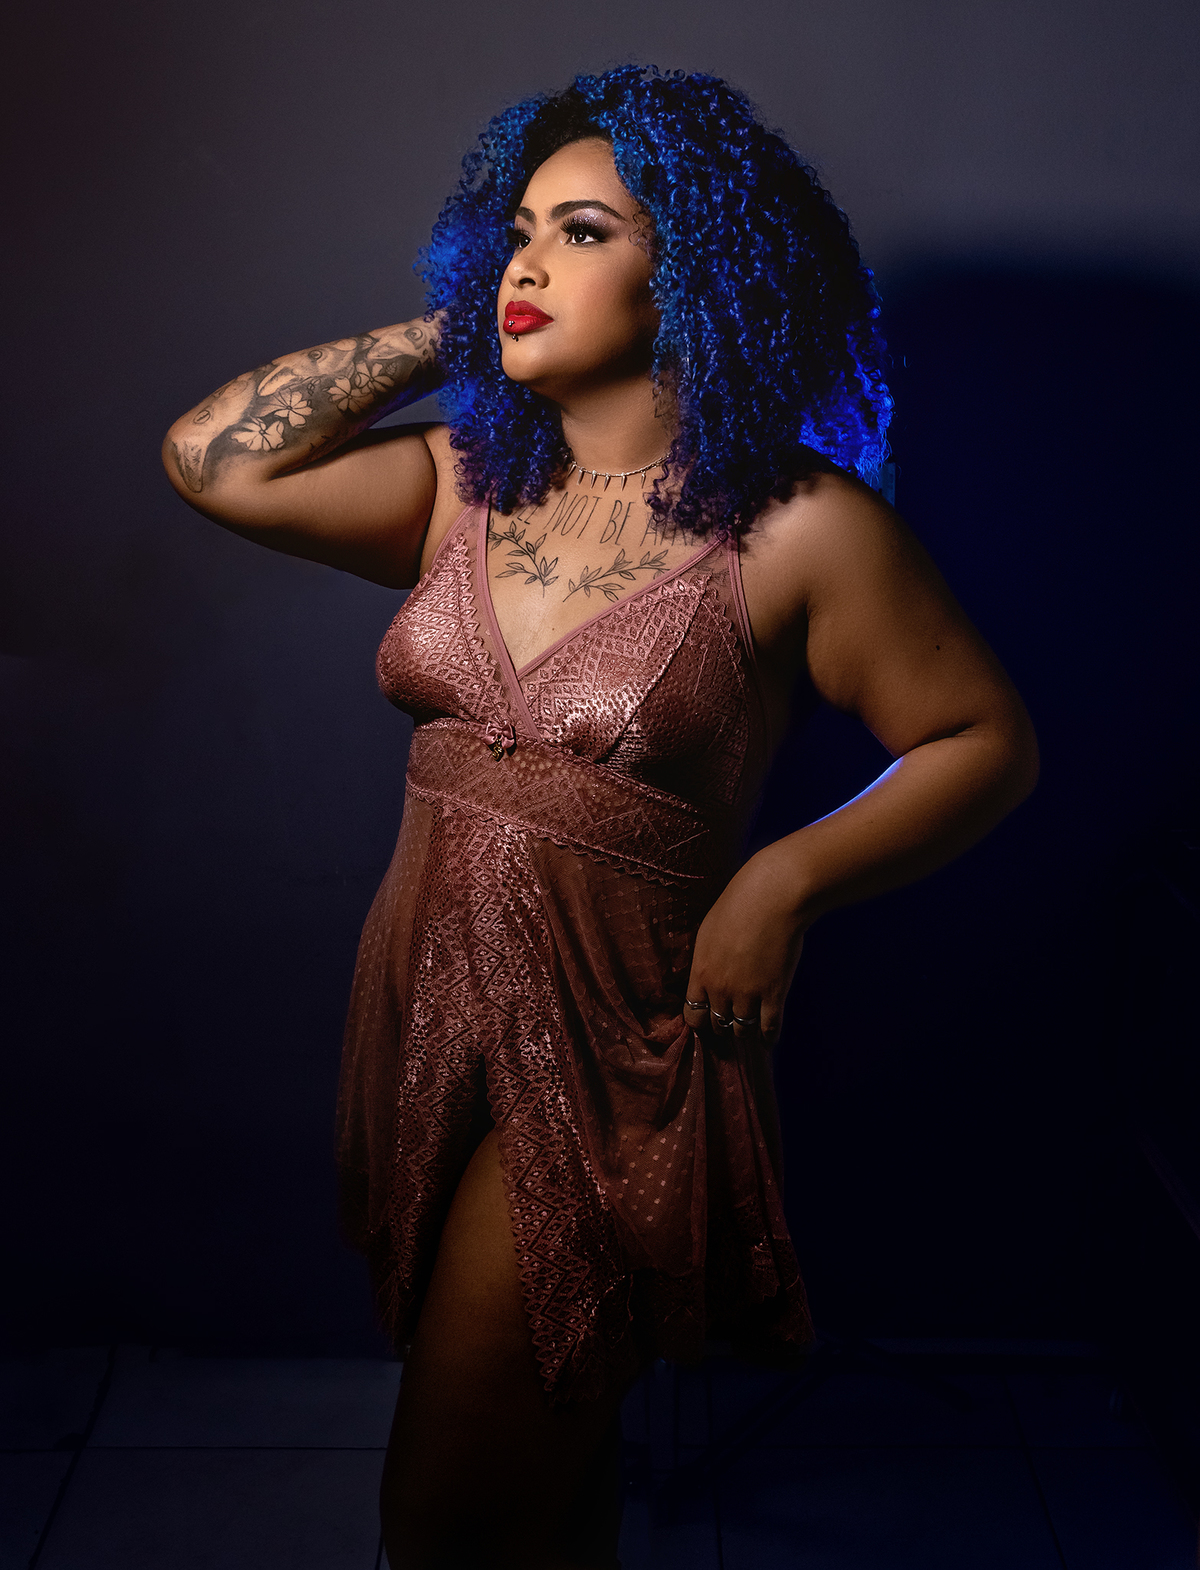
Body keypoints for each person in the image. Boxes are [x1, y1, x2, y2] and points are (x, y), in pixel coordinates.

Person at [162, 65, 1038, 1570]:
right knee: (543, 1487)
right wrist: (460, 331)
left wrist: (782, 882)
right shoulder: (463, 488)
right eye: (514, 234)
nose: (526, 265)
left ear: (693, 274)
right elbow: (212, 460)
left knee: (447, 1509)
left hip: (617, 1051)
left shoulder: (803, 532)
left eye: (582, 233)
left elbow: (985, 742)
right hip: (429, 1009)